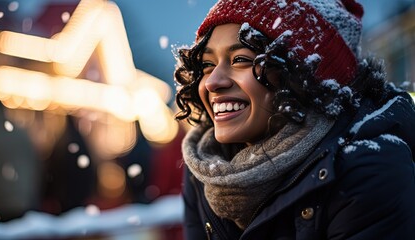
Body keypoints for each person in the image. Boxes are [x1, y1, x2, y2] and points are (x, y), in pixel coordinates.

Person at [173, 0, 415, 239]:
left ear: (304, 77)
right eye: (207, 64)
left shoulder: (367, 169)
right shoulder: (205, 169)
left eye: (241, 59)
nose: (213, 81)